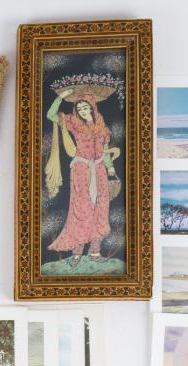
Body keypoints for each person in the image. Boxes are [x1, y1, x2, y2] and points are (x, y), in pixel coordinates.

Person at [44, 89, 118, 266]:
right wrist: (61, 96)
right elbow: (50, 114)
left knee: (100, 208)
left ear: (93, 107)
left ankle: (94, 252)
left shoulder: (102, 127)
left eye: (86, 107)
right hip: (81, 169)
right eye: (80, 108)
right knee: (81, 209)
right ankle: (76, 253)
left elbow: (105, 152)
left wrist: (110, 168)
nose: (83, 111)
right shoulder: (73, 122)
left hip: (99, 169)